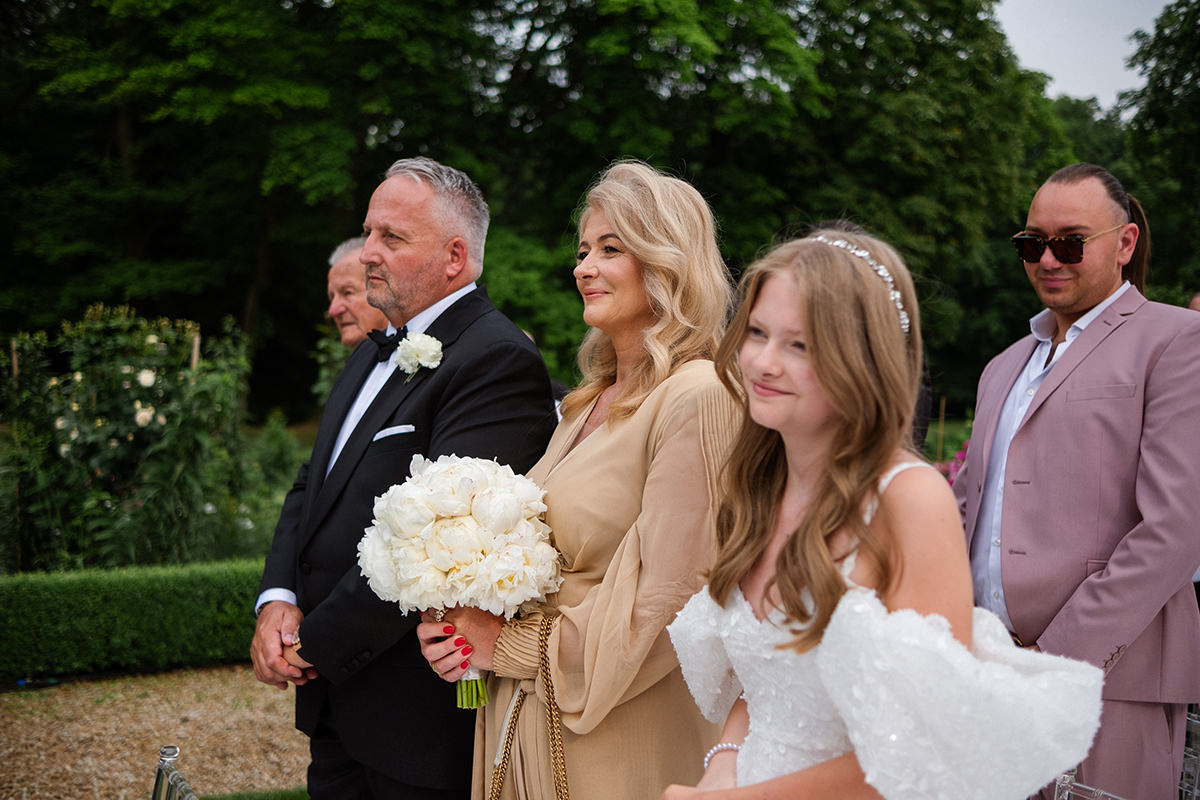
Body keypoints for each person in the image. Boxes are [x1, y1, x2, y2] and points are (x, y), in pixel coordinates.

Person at [663, 228, 1102, 799]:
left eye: (800, 345)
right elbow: (770, 681)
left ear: (861, 360)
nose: (764, 362)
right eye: (758, 333)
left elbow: (925, 751)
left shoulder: (909, 499)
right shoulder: (760, 486)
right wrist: (722, 765)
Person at [416, 160, 740, 800]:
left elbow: (672, 596)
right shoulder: (583, 405)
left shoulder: (698, 396)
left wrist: (507, 643)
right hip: (527, 714)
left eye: (610, 249)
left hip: (624, 725)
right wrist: (462, 614)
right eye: (584, 249)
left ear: (667, 262)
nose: (583, 267)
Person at [250, 157, 558, 800]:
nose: (367, 253)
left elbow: (433, 549)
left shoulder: (495, 359)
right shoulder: (373, 348)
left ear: (453, 257)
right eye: (368, 233)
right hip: (336, 705)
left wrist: (313, 644)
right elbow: (314, 485)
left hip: (411, 719)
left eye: (391, 237)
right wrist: (277, 597)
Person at [955, 163, 1200, 799]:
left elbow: (1176, 527)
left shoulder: (1178, 340)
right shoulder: (1004, 364)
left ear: (1125, 243)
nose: (1047, 258)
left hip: (1108, 677)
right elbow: (966, 507)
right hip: (985, 670)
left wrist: (1056, 657)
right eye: (1032, 243)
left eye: (1070, 241)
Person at [326, 236, 389, 348]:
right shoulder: (355, 363)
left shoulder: (425, 355)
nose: (333, 311)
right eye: (331, 298)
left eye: (347, 293)